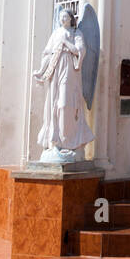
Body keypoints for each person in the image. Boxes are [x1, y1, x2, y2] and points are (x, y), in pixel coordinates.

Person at [33, 9, 95, 158]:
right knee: (54, 103)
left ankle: (70, 141)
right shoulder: (55, 33)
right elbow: (47, 52)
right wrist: (42, 69)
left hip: (69, 70)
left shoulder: (76, 33)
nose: (63, 19)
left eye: (65, 17)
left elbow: (80, 51)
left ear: (71, 18)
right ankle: (56, 141)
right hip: (56, 68)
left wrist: (66, 43)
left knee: (65, 103)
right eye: (61, 17)